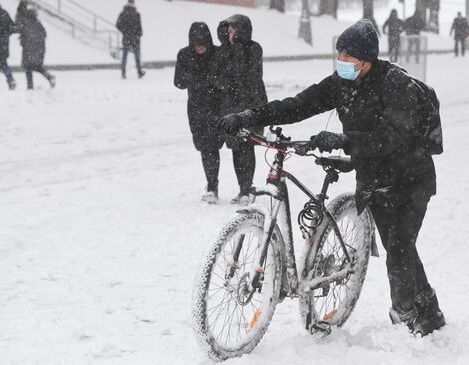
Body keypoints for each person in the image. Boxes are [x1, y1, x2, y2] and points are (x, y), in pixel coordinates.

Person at [218, 20, 446, 336]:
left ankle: (407, 319)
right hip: (374, 179)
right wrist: (250, 117)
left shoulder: (396, 85)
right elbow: (297, 105)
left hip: (410, 178)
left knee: (399, 248)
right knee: (401, 249)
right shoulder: (340, 83)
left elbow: (392, 137)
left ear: (368, 61)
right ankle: (429, 311)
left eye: (349, 58)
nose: (343, 63)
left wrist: (343, 140)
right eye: (340, 55)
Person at [209, 15, 267, 205]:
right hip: (230, 106)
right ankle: (242, 187)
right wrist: (226, 85)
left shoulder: (253, 48)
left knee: (247, 147)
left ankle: (247, 188)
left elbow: (250, 76)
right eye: (228, 30)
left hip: (251, 104)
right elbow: (215, 75)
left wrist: (236, 49)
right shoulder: (224, 51)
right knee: (235, 147)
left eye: (233, 30)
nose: (229, 33)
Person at [174, 22, 223, 204]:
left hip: (217, 107)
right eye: (196, 43)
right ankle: (211, 184)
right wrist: (198, 77)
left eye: (203, 42)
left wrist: (208, 81)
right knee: (204, 147)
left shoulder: (218, 53)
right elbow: (178, 82)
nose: (200, 46)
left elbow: (224, 80)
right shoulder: (185, 55)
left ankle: (216, 185)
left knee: (214, 146)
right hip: (195, 108)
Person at [17, 8, 56, 89]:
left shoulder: (25, 22)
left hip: (29, 48)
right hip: (39, 49)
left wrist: (23, 42)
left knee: (28, 67)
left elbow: (22, 34)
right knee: (37, 66)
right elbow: (44, 34)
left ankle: (30, 86)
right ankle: (49, 77)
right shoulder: (38, 23)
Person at [116, 0, 145, 79]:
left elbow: (118, 24)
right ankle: (136, 72)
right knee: (135, 56)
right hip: (133, 38)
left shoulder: (126, 13)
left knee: (127, 56)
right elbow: (118, 24)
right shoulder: (134, 14)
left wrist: (125, 32)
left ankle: (125, 72)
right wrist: (138, 34)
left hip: (130, 37)